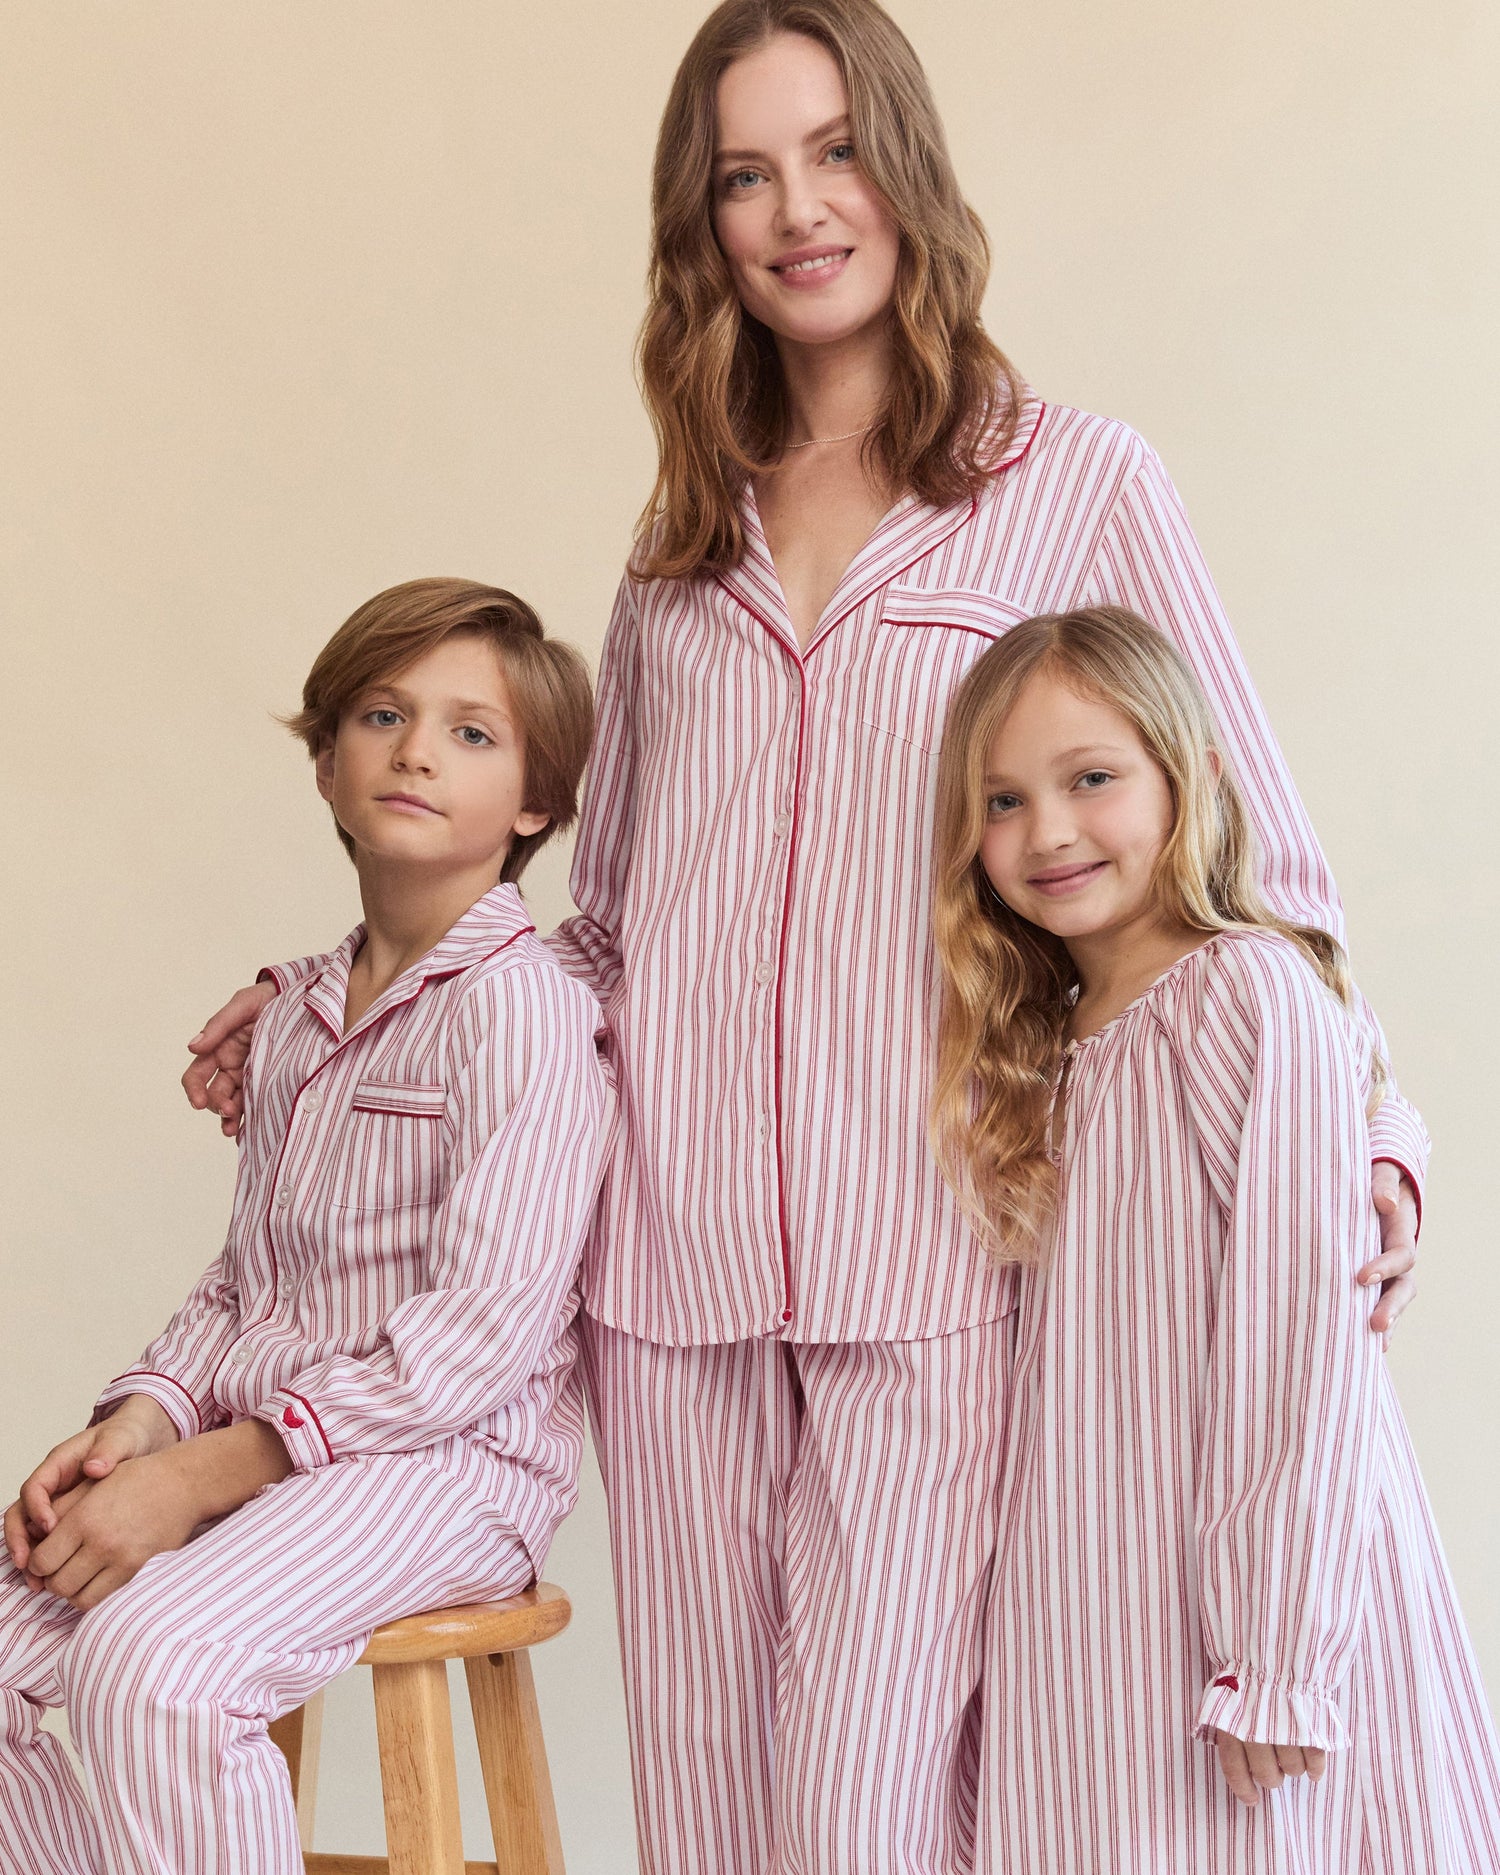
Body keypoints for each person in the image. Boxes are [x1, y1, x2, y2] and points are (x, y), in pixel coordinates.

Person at [180, 6, 1425, 1870]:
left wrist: (1373, 1132)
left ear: (904, 166)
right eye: (744, 176)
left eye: (835, 152)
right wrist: (328, 1001)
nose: (798, 210)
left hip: (936, 1255)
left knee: (866, 1814)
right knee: (704, 1813)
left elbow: (1263, 862)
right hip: (664, 1273)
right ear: (704, 225)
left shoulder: (1078, 482)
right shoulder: (680, 542)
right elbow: (606, 932)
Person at [0, 580, 606, 1875]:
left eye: (473, 733)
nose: (418, 750)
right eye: (383, 715)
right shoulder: (294, 1013)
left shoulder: (526, 1013)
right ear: (328, 763)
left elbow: (480, 1336)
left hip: (448, 1466)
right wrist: (143, 1423)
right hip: (259, 1448)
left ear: (536, 801)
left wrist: (202, 1474)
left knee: (155, 1663)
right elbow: (246, 1281)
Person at [929, 604, 1500, 1875]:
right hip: (1096, 1611)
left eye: (1091, 779)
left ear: (1190, 778)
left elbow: (1302, 1342)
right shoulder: (1042, 1047)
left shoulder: (1247, 994)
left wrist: (1278, 1657)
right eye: (1003, 801)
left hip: (1249, 1620)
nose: (1048, 831)